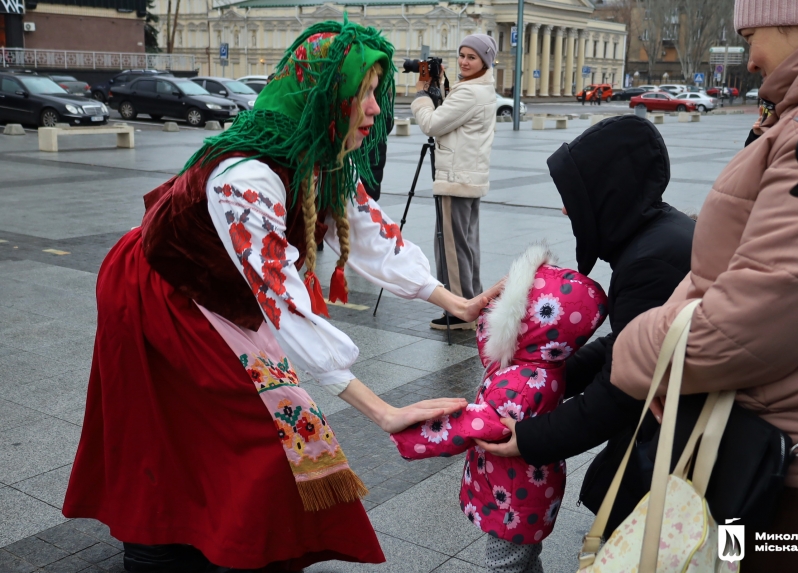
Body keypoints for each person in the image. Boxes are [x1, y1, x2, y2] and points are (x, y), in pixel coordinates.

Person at [62, 21, 500, 573]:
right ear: (324, 98)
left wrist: (458, 304)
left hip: (223, 293)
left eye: (376, 94)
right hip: (159, 293)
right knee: (196, 423)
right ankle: (156, 546)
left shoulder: (324, 154)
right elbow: (282, 299)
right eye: (363, 94)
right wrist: (382, 410)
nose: (374, 110)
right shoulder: (244, 174)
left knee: (246, 427)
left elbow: (373, 237)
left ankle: (207, 536)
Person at [609, 5, 798, 572]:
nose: (750, 58)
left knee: (761, 560)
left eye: (754, 35)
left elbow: (751, 323)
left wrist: (633, 346)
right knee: (728, 559)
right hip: (773, 446)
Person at [476, 116, 695, 533]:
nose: (565, 208)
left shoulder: (649, 260)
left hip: (676, 443)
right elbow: (626, 345)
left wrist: (528, 438)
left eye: (574, 196)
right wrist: (551, 374)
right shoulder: (659, 235)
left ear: (606, 195)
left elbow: (622, 389)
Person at [390, 243, 607, 573]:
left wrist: (410, 435)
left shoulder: (518, 385)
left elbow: (469, 425)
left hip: (514, 499)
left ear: (524, 324)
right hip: (529, 492)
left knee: (503, 565)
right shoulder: (544, 362)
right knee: (525, 558)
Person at [412, 33, 498, 330]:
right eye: (462, 55)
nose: (464, 61)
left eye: (472, 57)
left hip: (455, 178)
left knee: (451, 246)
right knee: (465, 244)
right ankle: (473, 301)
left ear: (484, 60)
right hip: (468, 177)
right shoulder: (481, 88)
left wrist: (422, 95)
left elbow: (432, 124)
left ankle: (460, 311)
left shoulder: (469, 92)